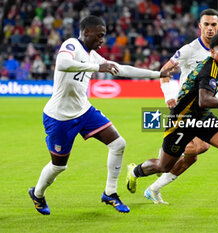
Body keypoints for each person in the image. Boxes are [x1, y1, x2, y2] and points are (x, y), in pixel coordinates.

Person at [28, 15, 176, 215]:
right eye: (100, 35)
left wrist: (157, 74)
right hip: (59, 117)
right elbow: (63, 63)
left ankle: (110, 193)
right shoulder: (71, 44)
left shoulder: (92, 55)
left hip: (84, 111)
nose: (102, 40)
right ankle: (37, 194)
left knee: (118, 144)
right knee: (59, 166)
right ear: (86, 32)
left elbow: (121, 69)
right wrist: (97, 67)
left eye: (103, 36)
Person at [126, 32, 218, 219]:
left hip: (200, 117)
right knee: (164, 166)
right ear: (212, 52)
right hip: (181, 121)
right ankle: (135, 171)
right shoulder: (209, 69)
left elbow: (201, 98)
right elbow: (203, 99)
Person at [140, 8, 218, 206]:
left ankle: (153, 188)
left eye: (214, 25)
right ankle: (143, 170)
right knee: (200, 147)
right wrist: (169, 95)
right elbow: (164, 70)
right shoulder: (189, 50)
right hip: (184, 109)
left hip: (201, 109)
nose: (210, 28)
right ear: (200, 26)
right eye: (206, 24)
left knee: (191, 158)